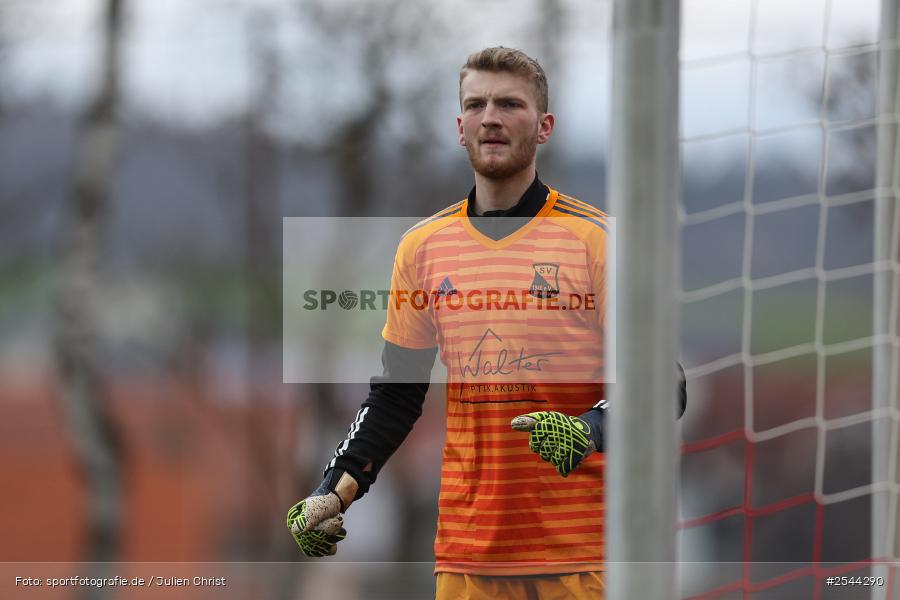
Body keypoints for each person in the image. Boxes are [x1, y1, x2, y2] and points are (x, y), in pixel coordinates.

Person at [286, 46, 685, 599]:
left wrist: (589, 431)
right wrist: (334, 489)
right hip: (467, 559)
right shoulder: (422, 248)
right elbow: (397, 395)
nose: (491, 117)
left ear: (544, 126)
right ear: (460, 126)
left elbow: (666, 385)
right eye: (476, 104)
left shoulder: (597, 242)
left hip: (583, 558)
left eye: (509, 104)